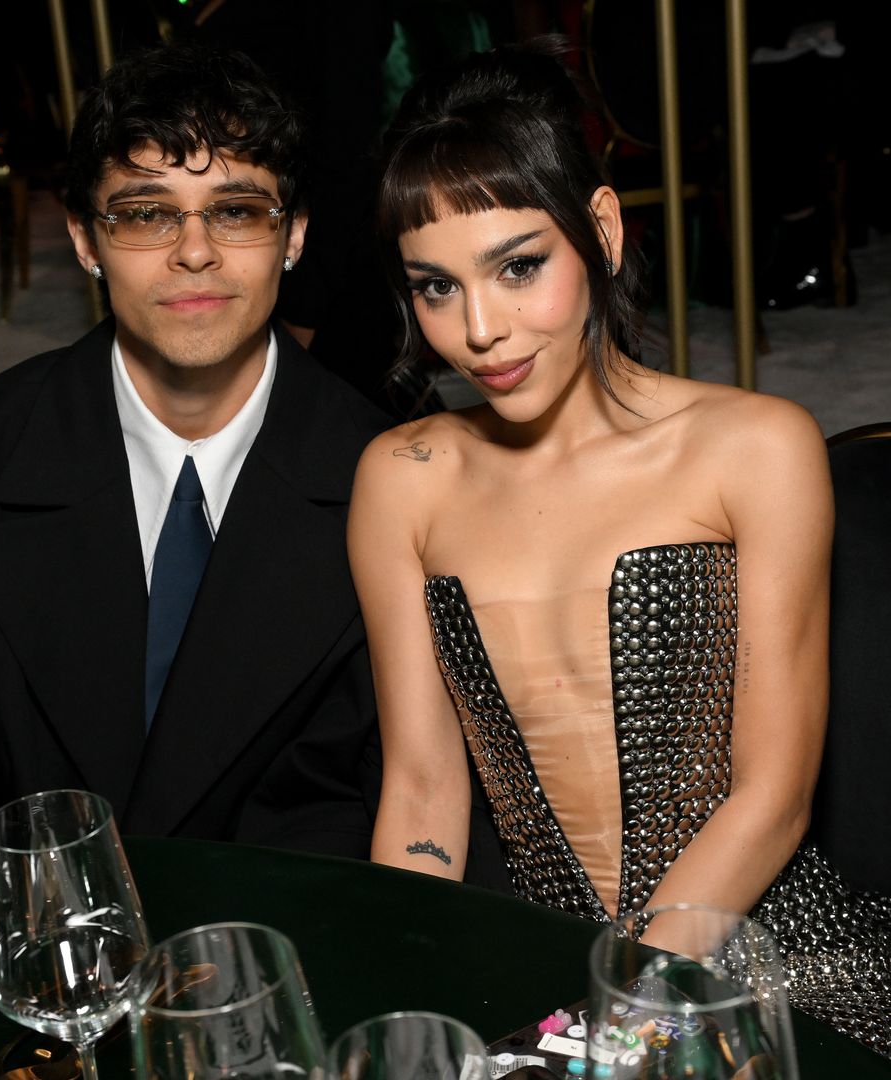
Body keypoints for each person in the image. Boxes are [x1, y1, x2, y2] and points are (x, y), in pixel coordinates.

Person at [349, 42, 890, 1054]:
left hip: (767, 955)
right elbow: (422, 792)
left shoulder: (754, 448)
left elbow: (772, 797)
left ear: (599, 228)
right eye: (435, 287)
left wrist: (611, 1015)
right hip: (537, 963)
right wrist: (410, 989)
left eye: (519, 267)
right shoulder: (401, 478)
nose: (480, 330)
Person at [0, 44, 389, 858]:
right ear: (86, 241)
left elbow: (392, 800)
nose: (193, 251)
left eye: (236, 209)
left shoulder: (397, 482)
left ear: (295, 234)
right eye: (144, 213)